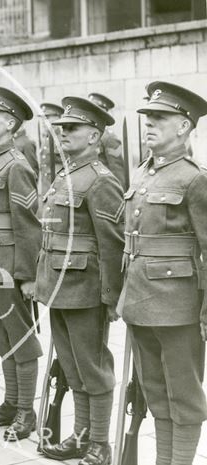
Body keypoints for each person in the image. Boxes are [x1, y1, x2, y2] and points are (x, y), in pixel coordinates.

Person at [120, 81, 207, 465]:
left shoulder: (195, 178)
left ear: (184, 126)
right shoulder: (140, 174)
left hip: (178, 306)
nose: (149, 124)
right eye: (147, 117)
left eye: (159, 117)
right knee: (154, 392)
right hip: (140, 301)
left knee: (183, 397)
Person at [35, 97, 124, 465]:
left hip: (85, 288)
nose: (64, 132)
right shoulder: (65, 174)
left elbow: (112, 244)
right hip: (58, 284)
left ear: (94, 135)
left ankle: (99, 444)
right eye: (63, 128)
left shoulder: (102, 180)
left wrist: (110, 297)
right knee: (72, 367)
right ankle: (81, 435)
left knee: (93, 368)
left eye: (72, 128)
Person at [0, 87, 43, 441]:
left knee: (20, 339)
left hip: (10, 262)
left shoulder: (17, 165)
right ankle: (11, 401)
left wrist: (28, 276)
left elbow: (29, 225)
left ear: (11, 123)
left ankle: (26, 411)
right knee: (2, 336)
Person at [88, 92, 125, 188]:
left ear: (103, 113)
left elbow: (118, 173)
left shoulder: (109, 138)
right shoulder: (87, 134)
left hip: (104, 189)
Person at [37, 102, 64, 196]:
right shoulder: (46, 139)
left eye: (47, 118)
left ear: (58, 118)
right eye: (42, 118)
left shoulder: (63, 139)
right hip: (46, 188)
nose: (44, 122)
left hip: (59, 189)